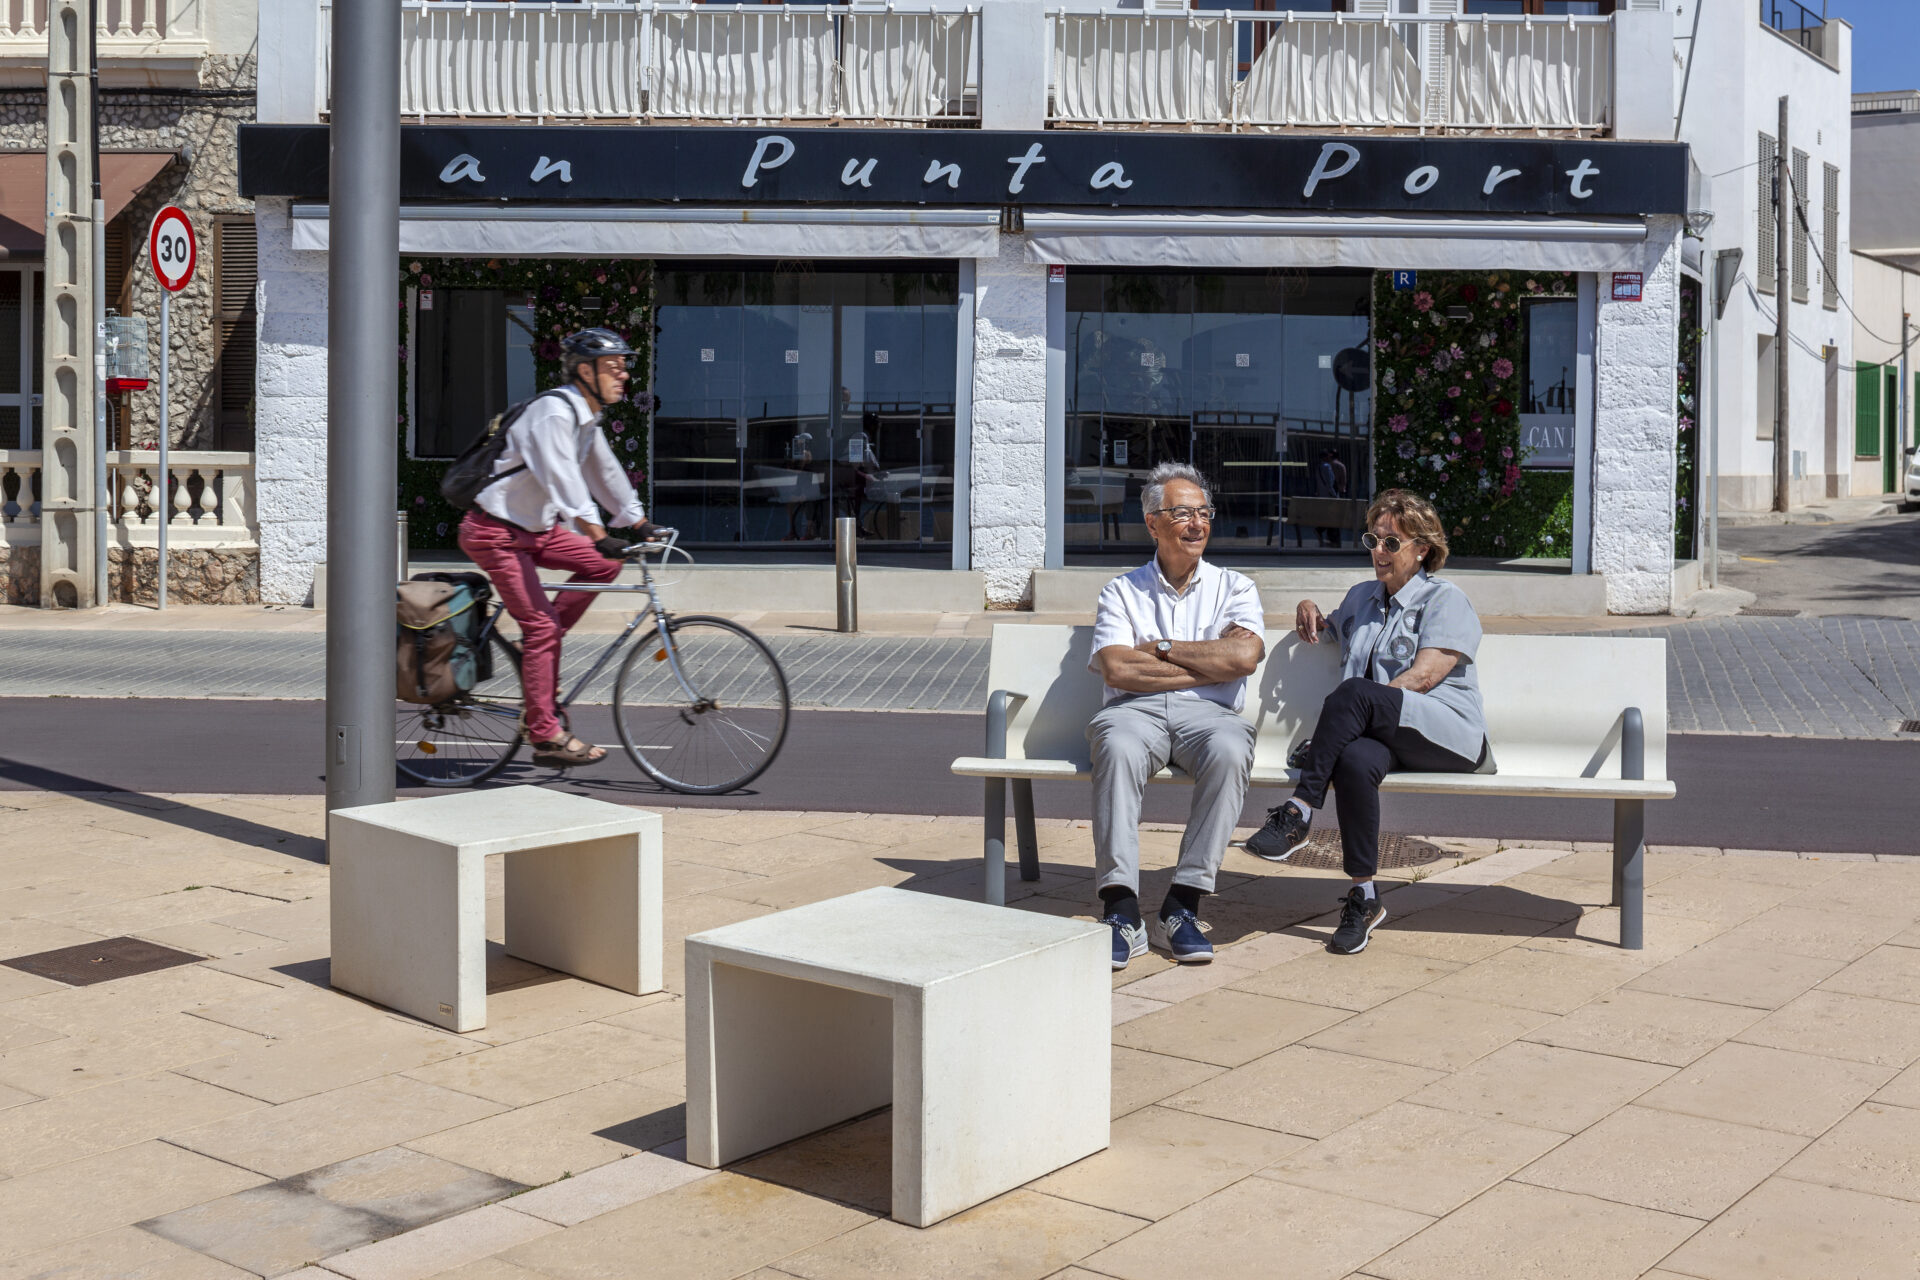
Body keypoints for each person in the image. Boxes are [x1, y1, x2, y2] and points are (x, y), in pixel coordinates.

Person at [1243, 489, 1492, 955]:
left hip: (1446, 735)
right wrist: (1309, 608)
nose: (1379, 551)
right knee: (1354, 762)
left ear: (1422, 549)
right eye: (1372, 540)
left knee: (1356, 693)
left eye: (1391, 543)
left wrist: (1354, 715)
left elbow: (1423, 678)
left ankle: (1299, 810)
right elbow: (1332, 628)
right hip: (1382, 736)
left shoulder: (1446, 600)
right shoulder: (1362, 597)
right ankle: (1365, 896)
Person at [1088, 462, 1266, 970]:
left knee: (1231, 749)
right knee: (1116, 746)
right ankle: (1121, 909)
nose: (1198, 524)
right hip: (1134, 711)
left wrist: (1161, 648)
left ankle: (1182, 904)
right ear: (1152, 523)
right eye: (1183, 513)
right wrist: (1208, 666)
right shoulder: (1121, 591)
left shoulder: (1235, 587)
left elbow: (1244, 658)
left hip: (1209, 717)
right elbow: (1118, 668)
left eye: (1204, 513)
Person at [457, 328, 659, 768]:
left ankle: (537, 653)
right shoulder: (552, 413)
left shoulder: (584, 417)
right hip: (495, 532)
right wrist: (596, 532)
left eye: (624, 366)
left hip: (535, 529)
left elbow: (604, 471)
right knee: (543, 626)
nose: (624, 375)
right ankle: (545, 735)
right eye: (613, 367)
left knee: (603, 566)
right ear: (585, 371)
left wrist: (638, 522)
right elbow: (562, 478)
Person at [1315, 448, 1348, 548]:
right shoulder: (1335, 466)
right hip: (1333, 495)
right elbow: (1338, 483)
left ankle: (1329, 537)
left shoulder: (1320, 467)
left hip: (1323, 496)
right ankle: (1333, 539)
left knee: (1329, 516)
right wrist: (1335, 495)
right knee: (1335, 518)